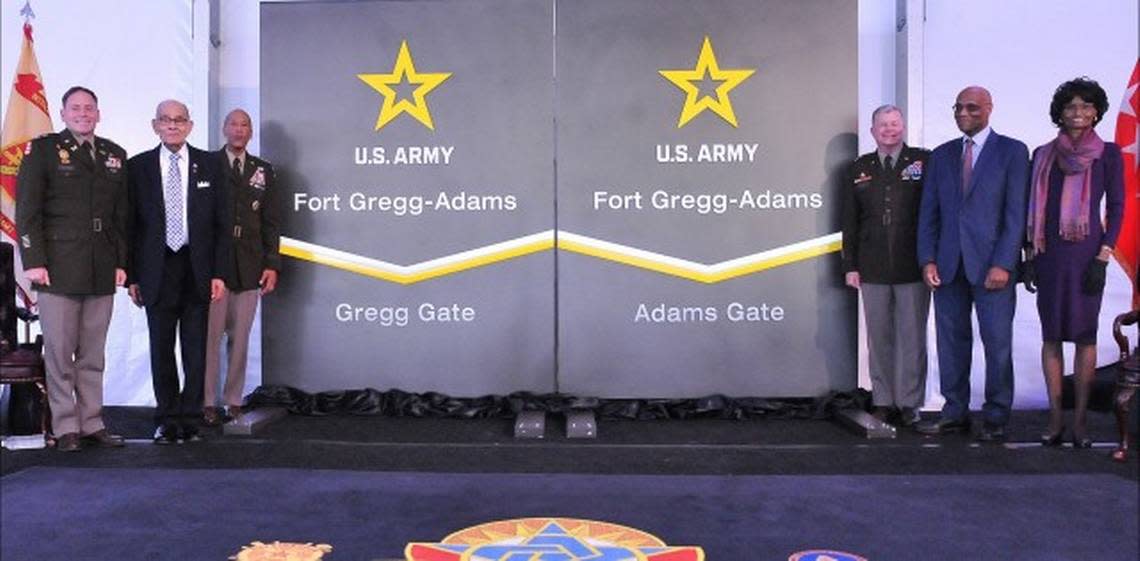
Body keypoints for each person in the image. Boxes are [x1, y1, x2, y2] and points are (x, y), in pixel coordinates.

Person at [14, 86, 128, 452]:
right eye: (76, 108)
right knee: (61, 354)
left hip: (101, 268)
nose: (83, 113)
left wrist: (122, 262)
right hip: (57, 269)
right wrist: (34, 262)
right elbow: (27, 212)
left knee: (93, 355)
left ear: (99, 113)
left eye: (89, 108)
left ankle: (92, 421)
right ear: (63, 113)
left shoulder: (114, 155)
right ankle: (66, 427)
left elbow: (121, 217)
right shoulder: (43, 150)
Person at [916, 86, 1029, 441]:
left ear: (989, 109)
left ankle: (996, 415)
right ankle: (955, 412)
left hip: (993, 268)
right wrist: (927, 259)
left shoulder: (1012, 151)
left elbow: (1015, 215)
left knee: (997, 344)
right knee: (951, 342)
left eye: (972, 107)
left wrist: (1004, 263)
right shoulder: (941, 155)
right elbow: (928, 214)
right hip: (948, 266)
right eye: (958, 107)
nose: (964, 113)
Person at [1025, 78, 1123, 449]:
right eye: (1070, 107)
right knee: (1051, 336)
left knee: (1085, 337)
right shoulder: (1043, 153)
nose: (1077, 112)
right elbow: (1031, 209)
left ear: (1096, 112)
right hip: (1048, 256)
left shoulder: (1108, 154)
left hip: (1087, 257)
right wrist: (1030, 257)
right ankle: (1054, 419)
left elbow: (1116, 207)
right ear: (1060, 114)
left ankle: (1080, 423)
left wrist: (1104, 255)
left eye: (1085, 106)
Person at [127, 99, 227, 445]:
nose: (172, 125)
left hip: (197, 267)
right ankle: (167, 418)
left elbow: (221, 224)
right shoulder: (137, 167)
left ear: (190, 125)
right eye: (166, 120)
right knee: (161, 348)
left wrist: (219, 272)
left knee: (196, 348)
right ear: (155, 125)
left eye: (179, 120)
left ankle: (191, 417)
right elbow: (130, 225)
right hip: (156, 270)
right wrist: (133, 276)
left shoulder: (211, 165)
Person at [841, 104, 931, 427]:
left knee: (912, 336)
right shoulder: (859, 168)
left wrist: (932, 259)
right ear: (872, 130)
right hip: (872, 266)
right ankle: (882, 400)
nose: (889, 130)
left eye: (894, 124)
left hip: (913, 265)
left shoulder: (923, 161)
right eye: (883, 125)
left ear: (903, 127)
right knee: (878, 337)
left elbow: (932, 214)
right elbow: (849, 222)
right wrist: (850, 265)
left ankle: (909, 403)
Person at [203, 109, 280, 426]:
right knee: (208, 338)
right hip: (214, 267)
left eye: (244, 125)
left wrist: (272, 263)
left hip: (249, 264)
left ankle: (233, 400)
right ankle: (206, 402)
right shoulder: (206, 165)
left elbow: (271, 222)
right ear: (224, 129)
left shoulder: (263, 171)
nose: (238, 129)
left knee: (240, 339)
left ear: (250, 132)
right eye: (233, 124)